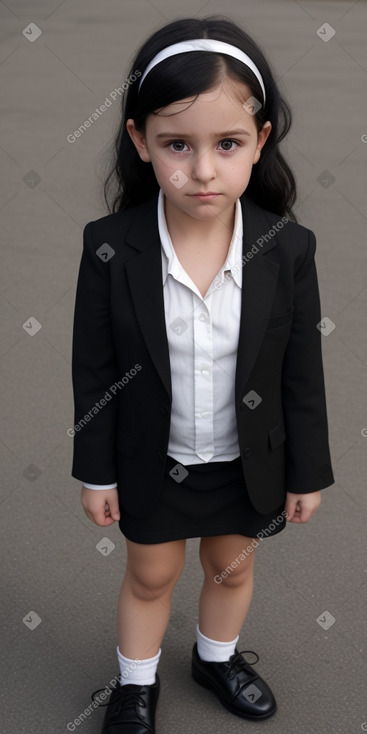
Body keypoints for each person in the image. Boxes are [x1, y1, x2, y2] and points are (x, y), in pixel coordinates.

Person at [70, 14, 335, 733]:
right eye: (175, 145)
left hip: (247, 459)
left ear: (260, 141)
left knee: (231, 569)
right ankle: (134, 685)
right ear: (138, 141)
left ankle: (216, 658)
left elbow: (301, 369)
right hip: (152, 460)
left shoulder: (286, 249)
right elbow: (91, 369)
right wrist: (96, 472)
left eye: (227, 144)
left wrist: (306, 470)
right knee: (151, 575)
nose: (203, 169)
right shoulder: (110, 247)